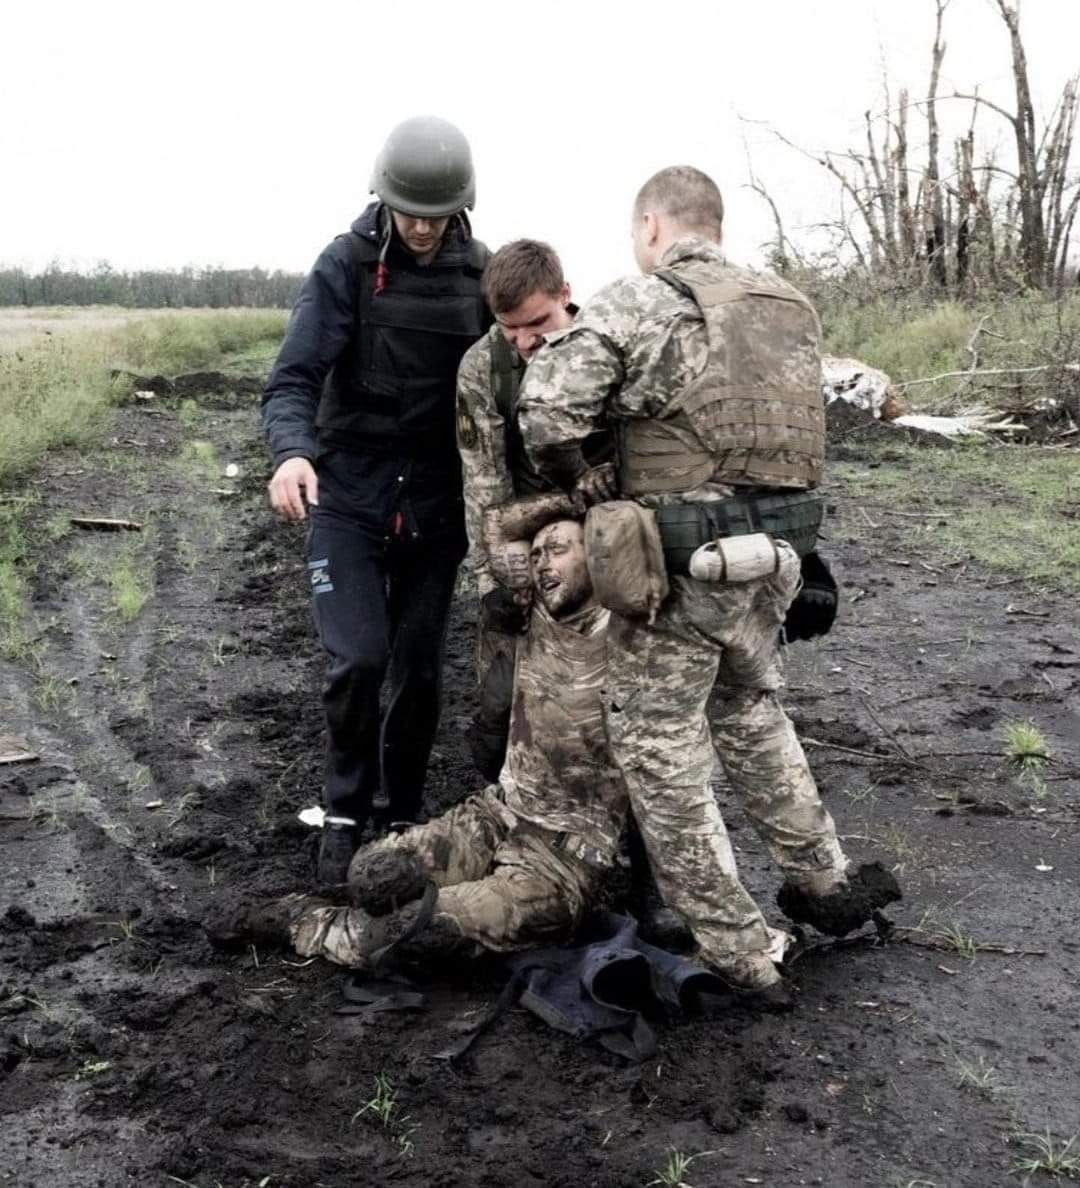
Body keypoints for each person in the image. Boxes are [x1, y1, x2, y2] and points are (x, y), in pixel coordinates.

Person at [517, 166, 899, 992]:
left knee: (659, 750)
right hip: (779, 563)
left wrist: (583, 476)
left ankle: (740, 951)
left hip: (680, 566)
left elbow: (547, 409)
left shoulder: (645, 298)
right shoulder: (791, 306)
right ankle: (824, 882)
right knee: (754, 715)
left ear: (653, 226)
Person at [210, 516, 679, 973]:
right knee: (373, 873)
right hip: (499, 814)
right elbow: (494, 527)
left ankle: (302, 923)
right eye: (536, 557)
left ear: (598, 558)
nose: (542, 567)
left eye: (558, 551)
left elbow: (670, 780)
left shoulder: (636, 639)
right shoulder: (526, 618)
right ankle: (343, 909)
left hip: (561, 858)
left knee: (417, 928)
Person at [260, 117, 491, 884]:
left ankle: (402, 818)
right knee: (360, 658)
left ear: (462, 207)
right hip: (349, 493)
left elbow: (518, 380)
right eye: (409, 213)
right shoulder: (346, 264)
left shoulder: (479, 276)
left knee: (420, 670)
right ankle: (346, 810)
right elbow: (294, 376)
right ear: (383, 199)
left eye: (436, 215)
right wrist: (293, 452)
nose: (422, 229)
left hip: (436, 500)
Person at [456, 239, 612, 778]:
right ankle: (501, 805)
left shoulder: (609, 348)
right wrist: (491, 580)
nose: (524, 341)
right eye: (508, 327)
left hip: (602, 529)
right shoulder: (484, 366)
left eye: (537, 323)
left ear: (565, 295)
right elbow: (482, 480)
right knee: (499, 700)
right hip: (520, 523)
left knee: (603, 700)